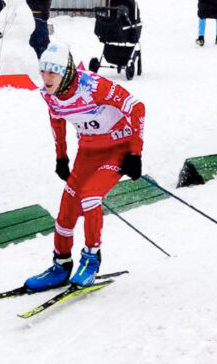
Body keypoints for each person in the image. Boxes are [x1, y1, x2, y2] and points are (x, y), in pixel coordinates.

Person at [24, 42, 145, 290]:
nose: (47, 78)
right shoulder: (49, 93)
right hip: (88, 152)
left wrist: (135, 154)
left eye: (53, 71)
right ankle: (61, 265)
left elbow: (136, 108)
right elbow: (57, 118)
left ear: (66, 71)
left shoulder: (94, 86)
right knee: (67, 208)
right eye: (43, 70)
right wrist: (61, 157)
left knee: (90, 197)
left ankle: (91, 260)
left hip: (117, 150)